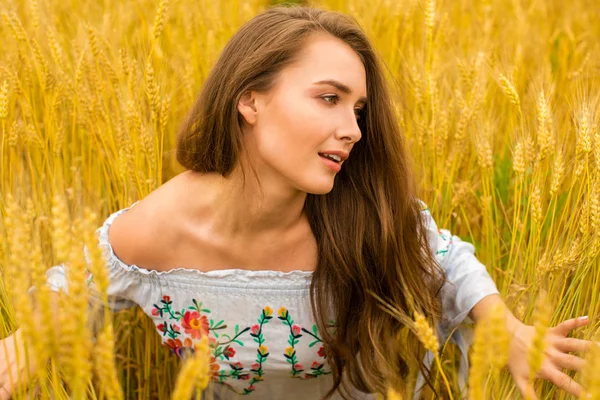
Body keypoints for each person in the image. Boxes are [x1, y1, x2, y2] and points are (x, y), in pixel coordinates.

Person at [1, 5, 595, 400]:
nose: (354, 130)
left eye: (358, 110)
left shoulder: (363, 209)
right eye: (329, 98)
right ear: (250, 100)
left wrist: (505, 323)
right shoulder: (159, 231)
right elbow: (70, 293)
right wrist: (18, 354)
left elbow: (445, 256)